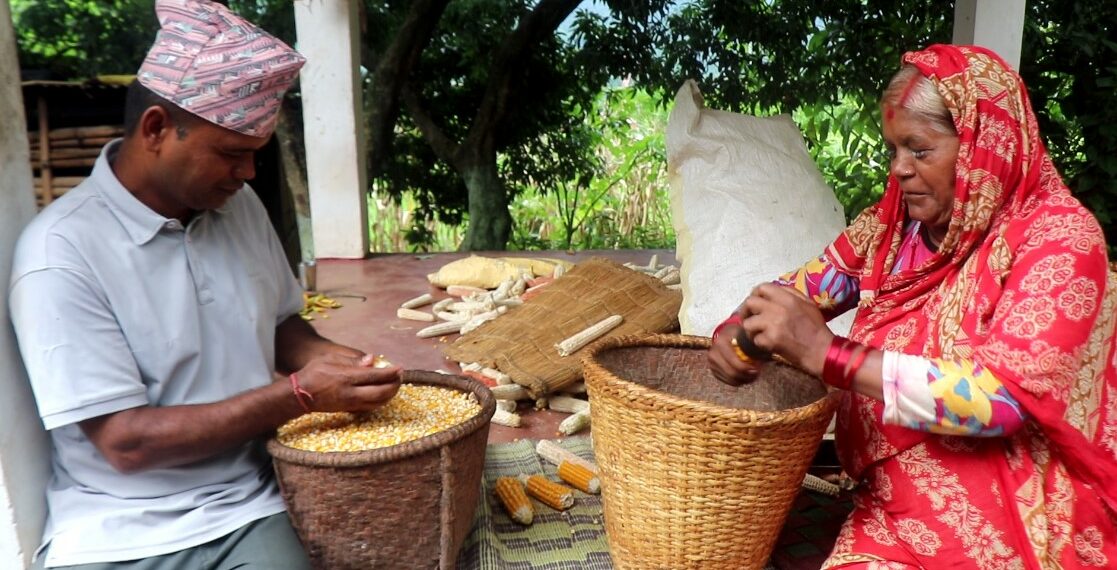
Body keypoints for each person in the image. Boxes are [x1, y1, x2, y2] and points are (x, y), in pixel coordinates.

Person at [8, 1, 402, 568]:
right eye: (231, 154)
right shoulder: (60, 254)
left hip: (245, 502)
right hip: (118, 527)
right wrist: (299, 395)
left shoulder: (236, 208)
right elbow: (125, 442)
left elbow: (279, 325)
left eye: (253, 157)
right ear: (156, 130)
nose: (247, 175)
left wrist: (340, 364)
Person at [709, 44, 1117, 568]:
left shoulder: (1060, 239)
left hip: (1022, 507)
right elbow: (798, 292)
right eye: (893, 150)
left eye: (920, 150)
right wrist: (737, 331)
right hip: (891, 505)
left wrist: (826, 353)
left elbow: (1002, 401)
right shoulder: (891, 229)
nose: (900, 169)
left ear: (979, 147)